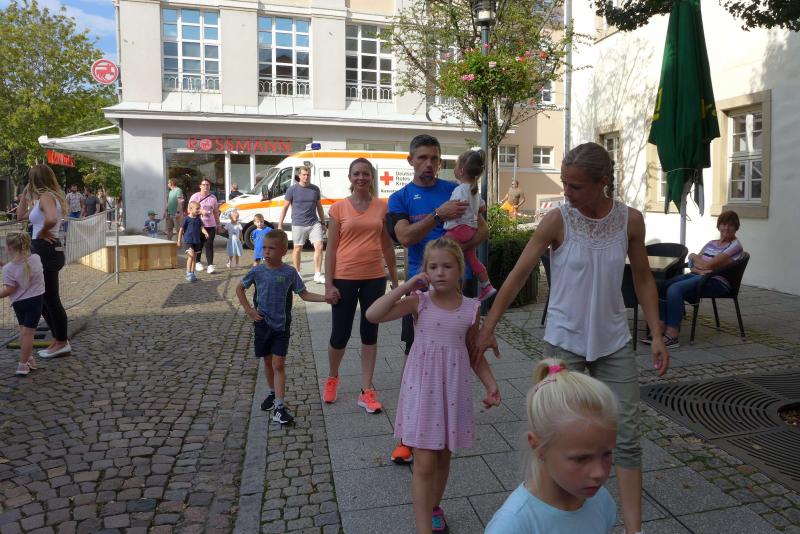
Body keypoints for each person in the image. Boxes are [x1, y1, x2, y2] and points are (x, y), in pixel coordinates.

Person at [475, 142, 669, 534]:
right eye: (565, 183)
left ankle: (634, 529)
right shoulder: (557, 220)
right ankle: (549, 509)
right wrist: (488, 326)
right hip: (564, 342)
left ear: (603, 182)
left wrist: (657, 332)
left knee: (627, 437)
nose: (567, 192)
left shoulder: (630, 221)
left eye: (576, 186)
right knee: (556, 432)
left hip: (613, 341)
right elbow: (518, 275)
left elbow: (643, 278)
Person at [366, 237, 500, 534]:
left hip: (453, 392)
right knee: (424, 463)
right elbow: (373, 314)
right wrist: (405, 285)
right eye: (433, 266)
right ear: (425, 270)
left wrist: (491, 385)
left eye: (447, 266)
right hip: (423, 393)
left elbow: (474, 353)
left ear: (460, 270)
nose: (440, 272)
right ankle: (423, 526)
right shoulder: (419, 302)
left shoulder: (471, 308)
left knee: (442, 457)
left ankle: (434, 507)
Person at [385, 134, 488, 464]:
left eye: (434, 158)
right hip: (420, 289)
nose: (428, 163)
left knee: (463, 348)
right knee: (414, 355)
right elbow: (404, 237)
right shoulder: (400, 198)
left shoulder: (458, 188)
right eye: (422, 158)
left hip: (458, 286)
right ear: (411, 161)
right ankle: (407, 435)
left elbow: (483, 230)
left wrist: (454, 253)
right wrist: (438, 216)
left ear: (441, 161)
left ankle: (448, 421)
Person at [485, 358, 618, 533]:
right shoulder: (512, 526)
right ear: (538, 446)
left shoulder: (601, 501)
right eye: (581, 458)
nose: (599, 473)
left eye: (607, 453)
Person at [321, 158, 399, 413]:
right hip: (344, 277)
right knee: (340, 334)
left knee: (370, 332)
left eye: (366, 173)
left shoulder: (382, 207)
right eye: (356, 174)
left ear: (372, 177)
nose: (361, 178)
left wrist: (395, 281)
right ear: (350, 177)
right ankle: (333, 376)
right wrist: (328, 285)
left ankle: (366, 390)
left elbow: (387, 246)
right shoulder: (338, 209)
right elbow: (331, 249)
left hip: (374, 278)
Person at [235, 229, 326, 425]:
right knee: (268, 362)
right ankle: (271, 393)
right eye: (264, 248)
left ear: (284, 251)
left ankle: (279, 407)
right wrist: (250, 310)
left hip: (281, 327)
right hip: (262, 324)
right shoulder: (257, 271)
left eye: (272, 248)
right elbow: (240, 288)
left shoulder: (289, 272)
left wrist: (326, 298)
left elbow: (304, 294)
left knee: (278, 364)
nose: (266, 252)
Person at [644, 210, 744, 348]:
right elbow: (693, 265)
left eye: (731, 225)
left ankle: (672, 335)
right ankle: (661, 327)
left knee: (674, 289)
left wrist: (694, 256)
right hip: (700, 276)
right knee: (660, 287)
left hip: (716, 282)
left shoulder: (735, 246)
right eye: (724, 224)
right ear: (719, 225)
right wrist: (697, 266)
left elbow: (707, 265)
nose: (726, 228)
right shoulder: (712, 243)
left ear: (736, 227)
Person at [16, 164, 71, 359]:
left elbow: (52, 219)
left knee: (50, 299)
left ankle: (62, 341)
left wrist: (42, 232)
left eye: (30, 178)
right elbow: (20, 216)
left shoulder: (47, 197)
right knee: (45, 299)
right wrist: (25, 195)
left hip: (46, 249)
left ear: (35, 179)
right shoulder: (45, 198)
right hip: (44, 250)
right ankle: (58, 340)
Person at [444, 148, 496, 301]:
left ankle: (440, 284)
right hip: (470, 230)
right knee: (472, 259)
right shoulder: (474, 191)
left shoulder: (460, 189)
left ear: (461, 171)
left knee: (441, 252)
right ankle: (487, 285)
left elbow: (454, 208)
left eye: (455, 165)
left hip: (457, 229)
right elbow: (482, 207)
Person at [0, 232, 45, 376]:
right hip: (35, 301)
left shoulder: (8, 269)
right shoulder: (36, 258)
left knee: (23, 332)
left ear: (9, 248)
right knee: (28, 334)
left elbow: (10, 288)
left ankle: (26, 360)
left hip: (19, 303)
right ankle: (24, 363)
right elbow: (22, 269)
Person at [277, 166, 326, 283]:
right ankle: (297, 273)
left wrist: (323, 222)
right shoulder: (292, 190)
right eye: (304, 174)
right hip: (298, 223)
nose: (306, 177)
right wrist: (280, 225)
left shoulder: (315, 189)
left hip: (314, 223)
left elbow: (319, 207)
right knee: (298, 248)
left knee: (319, 246)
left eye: (308, 175)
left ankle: (317, 274)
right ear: (299, 176)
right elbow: (285, 207)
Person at [189, 178, 220, 273]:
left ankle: (210, 265)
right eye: (204, 185)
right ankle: (198, 262)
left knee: (209, 245)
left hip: (210, 225)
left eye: (207, 185)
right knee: (199, 244)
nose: (206, 186)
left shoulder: (213, 197)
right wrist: (200, 211)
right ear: (200, 186)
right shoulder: (195, 196)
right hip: (198, 224)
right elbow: (189, 210)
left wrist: (218, 224)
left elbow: (216, 212)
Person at [177, 201, 208, 282]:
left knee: (194, 258)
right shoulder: (186, 219)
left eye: (199, 208)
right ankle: (188, 273)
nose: (199, 210)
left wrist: (205, 233)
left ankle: (192, 273)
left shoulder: (198, 219)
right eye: (197, 209)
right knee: (190, 256)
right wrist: (179, 241)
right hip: (188, 241)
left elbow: (202, 227)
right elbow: (181, 230)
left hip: (197, 241)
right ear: (190, 209)